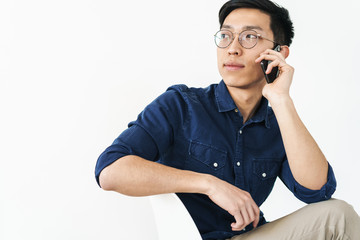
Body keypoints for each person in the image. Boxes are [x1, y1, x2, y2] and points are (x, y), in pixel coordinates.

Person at [95, 0, 360, 239]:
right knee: (340, 217)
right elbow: (110, 170)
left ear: (279, 53)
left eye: (249, 37)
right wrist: (208, 184)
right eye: (226, 35)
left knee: (338, 214)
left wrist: (281, 99)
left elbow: (317, 191)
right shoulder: (181, 105)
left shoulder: (279, 123)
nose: (232, 48)